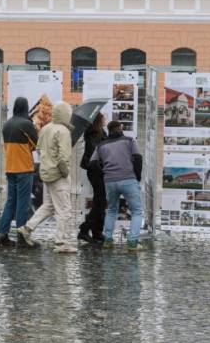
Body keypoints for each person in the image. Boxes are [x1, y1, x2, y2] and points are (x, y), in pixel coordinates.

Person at [16, 101, 76, 253]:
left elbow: (39, 149)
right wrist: (65, 172)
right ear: (66, 114)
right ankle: (61, 242)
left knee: (49, 206)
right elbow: (64, 157)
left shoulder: (45, 128)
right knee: (64, 209)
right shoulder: (63, 131)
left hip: (46, 173)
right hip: (58, 175)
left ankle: (27, 228)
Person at [90, 120, 144, 251]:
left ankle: (108, 240)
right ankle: (132, 242)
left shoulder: (101, 145)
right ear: (120, 128)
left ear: (109, 130)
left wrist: (104, 172)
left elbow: (92, 164)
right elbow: (138, 158)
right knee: (136, 211)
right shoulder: (129, 141)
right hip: (128, 179)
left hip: (110, 181)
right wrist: (137, 177)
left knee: (111, 210)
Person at [0, 96, 38, 247]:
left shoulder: (7, 124)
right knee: (22, 204)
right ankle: (22, 237)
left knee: (10, 202)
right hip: (24, 169)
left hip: (10, 168)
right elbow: (35, 145)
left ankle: (2, 234)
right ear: (26, 108)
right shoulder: (27, 124)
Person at [77, 114, 108, 244]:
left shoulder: (101, 132)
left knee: (100, 202)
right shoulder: (92, 135)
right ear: (98, 121)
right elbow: (95, 155)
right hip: (96, 172)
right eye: (102, 119)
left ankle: (97, 231)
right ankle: (84, 229)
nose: (105, 120)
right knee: (99, 203)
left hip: (101, 171)